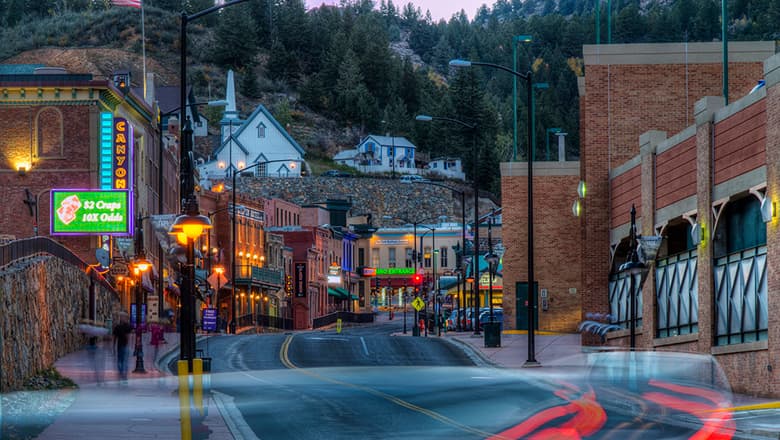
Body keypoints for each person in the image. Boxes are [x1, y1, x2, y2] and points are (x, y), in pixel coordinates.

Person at [113, 315, 133, 383]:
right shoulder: (128, 327)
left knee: (120, 360)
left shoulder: (117, 327)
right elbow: (128, 336)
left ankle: (121, 372)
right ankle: (124, 374)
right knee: (125, 361)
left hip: (119, 345)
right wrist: (129, 344)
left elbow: (114, 337)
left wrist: (113, 346)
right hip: (125, 346)